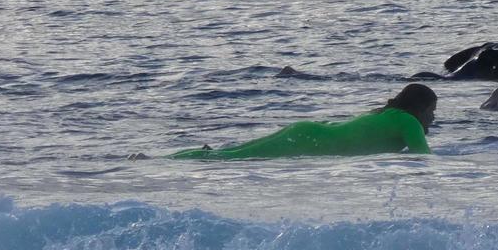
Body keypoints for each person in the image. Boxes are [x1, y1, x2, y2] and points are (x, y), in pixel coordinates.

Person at [172, 84, 436, 159]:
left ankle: (164, 159)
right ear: (420, 109)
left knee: (225, 154)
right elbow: (424, 158)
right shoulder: (408, 123)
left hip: (308, 132)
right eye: (431, 112)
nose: (433, 118)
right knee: (228, 158)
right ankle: (157, 162)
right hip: (309, 140)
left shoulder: (388, 115)